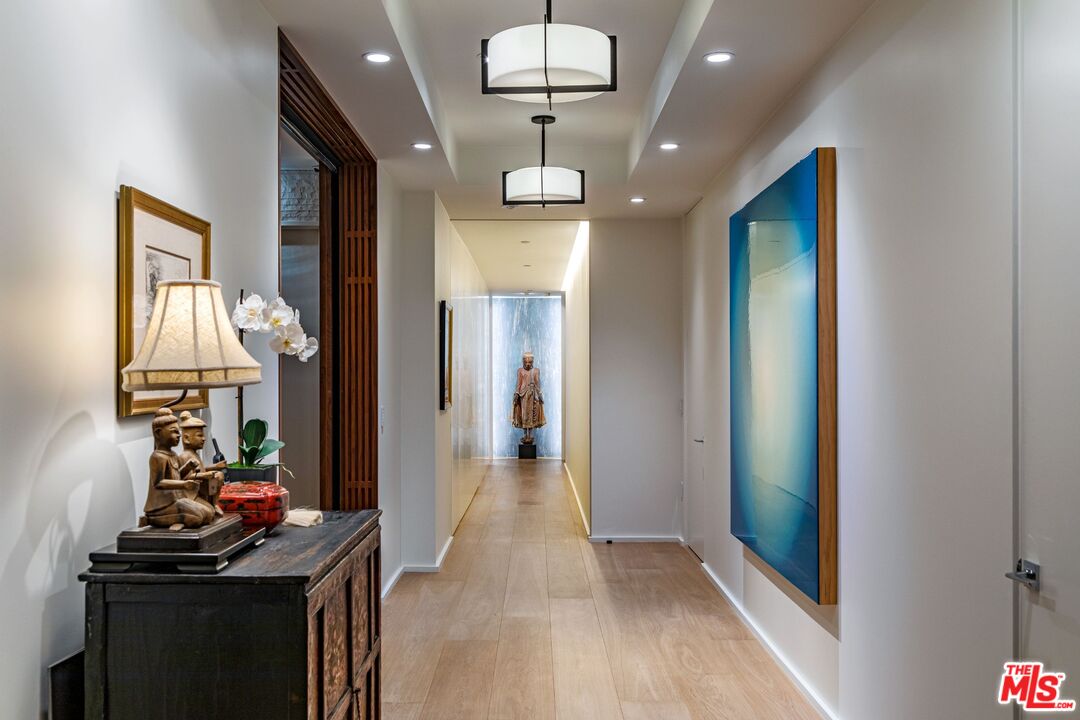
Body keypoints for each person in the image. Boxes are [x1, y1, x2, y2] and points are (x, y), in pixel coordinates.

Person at [143, 408, 215, 530]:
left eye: (178, 432)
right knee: (198, 518)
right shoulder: (157, 457)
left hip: (177, 500)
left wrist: (187, 467)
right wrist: (184, 485)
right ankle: (170, 519)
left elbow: (177, 475)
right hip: (161, 506)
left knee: (209, 513)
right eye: (174, 432)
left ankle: (180, 517)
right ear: (158, 433)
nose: (178, 435)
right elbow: (159, 483)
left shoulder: (173, 455)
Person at [178, 411, 226, 517]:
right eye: (199, 435)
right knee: (208, 513)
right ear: (186, 438)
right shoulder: (184, 456)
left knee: (219, 475)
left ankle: (214, 503)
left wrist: (215, 467)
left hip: (202, 491)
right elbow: (183, 478)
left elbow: (201, 469)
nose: (204, 438)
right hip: (191, 494)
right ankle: (211, 506)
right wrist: (204, 475)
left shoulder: (195, 454)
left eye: (203, 435)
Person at [511, 352, 546, 445]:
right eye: (526, 362)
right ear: (523, 362)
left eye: (530, 362)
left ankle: (530, 435)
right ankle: (525, 434)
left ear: (532, 362)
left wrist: (540, 394)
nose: (528, 364)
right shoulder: (520, 371)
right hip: (523, 395)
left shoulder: (536, 371)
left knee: (531, 415)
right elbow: (518, 384)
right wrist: (517, 394)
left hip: (533, 395)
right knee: (524, 415)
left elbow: (537, 383)